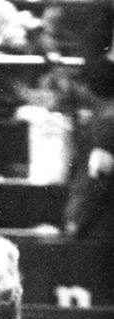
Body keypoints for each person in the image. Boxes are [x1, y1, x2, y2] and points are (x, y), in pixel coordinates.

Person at [63, 58, 114, 240]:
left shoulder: (105, 123)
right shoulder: (101, 119)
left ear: (89, 88)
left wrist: (78, 220)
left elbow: (96, 180)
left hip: (99, 228)